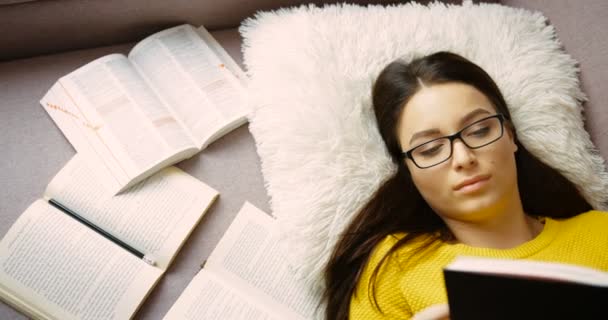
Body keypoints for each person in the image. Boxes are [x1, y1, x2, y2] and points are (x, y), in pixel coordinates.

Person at [323, 51, 608, 320]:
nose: (463, 158)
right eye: (431, 149)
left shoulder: (600, 232)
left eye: (480, 130)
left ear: (510, 136)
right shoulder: (393, 267)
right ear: (408, 169)